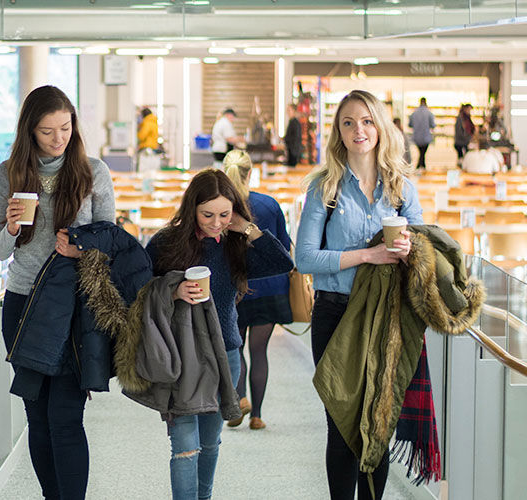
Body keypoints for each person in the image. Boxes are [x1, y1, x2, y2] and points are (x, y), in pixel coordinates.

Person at [0, 85, 116, 500]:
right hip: (23, 303)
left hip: (73, 306)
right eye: (47, 131)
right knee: (38, 417)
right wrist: (9, 228)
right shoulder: (7, 175)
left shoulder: (92, 171)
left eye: (65, 127)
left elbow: (110, 241)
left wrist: (81, 246)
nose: (58, 138)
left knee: (66, 417)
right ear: (30, 131)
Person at [295, 90, 424, 500]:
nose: (359, 130)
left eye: (367, 121)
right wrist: (367, 254)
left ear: (381, 127)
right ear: (338, 131)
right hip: (335, 313)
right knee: (341, 422)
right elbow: (305, 258)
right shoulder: (324, 187)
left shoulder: (402, 188)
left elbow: (423, 247)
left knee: (377, 420)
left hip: (384, 315)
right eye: (348, 122)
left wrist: (408, 251)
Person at [144, 168, 293, 500]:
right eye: (207, 214)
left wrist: (247, 228)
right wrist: (173, 290)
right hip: (180, 357)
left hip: (225, 355)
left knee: (210, 442)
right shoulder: (167, 242)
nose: (215, 222)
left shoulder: (234, 245)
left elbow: (282, 262)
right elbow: (136, 287)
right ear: (192, 208)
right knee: (184, 446)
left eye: (224, 214)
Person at [218, 150, 294, 431]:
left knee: (235, 348)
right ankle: (257, 416)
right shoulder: (269, 205)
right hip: (270, 288)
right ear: (250, 173)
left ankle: (240, 398)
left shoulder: (221, 208)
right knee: (259, 351)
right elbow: (283, 247)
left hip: (235, 290)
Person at [408, 97, 435, 170]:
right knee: (423, 153)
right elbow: (433, 125)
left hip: (416, 137)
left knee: (421, 153)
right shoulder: (429, 113)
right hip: (426, 137)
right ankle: (421, 166)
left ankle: (421, 166)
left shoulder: (414, 113)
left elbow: (410, 125)